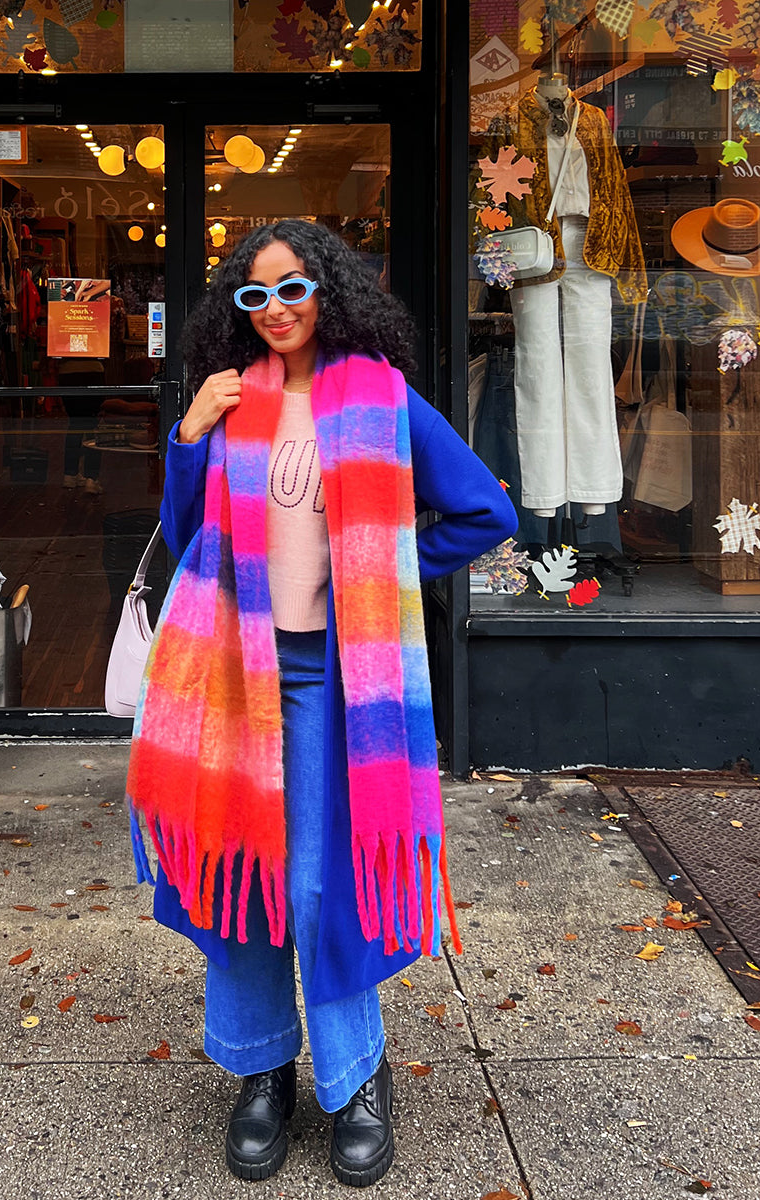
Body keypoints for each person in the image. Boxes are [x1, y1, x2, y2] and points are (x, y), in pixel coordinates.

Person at [125, 219, 517, 1187]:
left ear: (328, 289)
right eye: (255, 298)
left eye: (293, 289)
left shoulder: (382, 400)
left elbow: (486, 511)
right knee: (240, 875)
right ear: (237, 308)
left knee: (315, 886)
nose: (277, 312)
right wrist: (188, 432)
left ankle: (355, 1078)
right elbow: (183, 537)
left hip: (337, 685)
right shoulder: (229, 401)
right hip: (233, 675)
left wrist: (384, 572)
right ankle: (263, 1076)